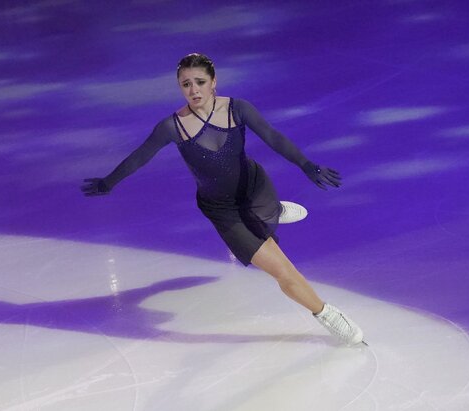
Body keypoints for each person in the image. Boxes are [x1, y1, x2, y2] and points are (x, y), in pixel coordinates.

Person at [81, 53, 364, 346]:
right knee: (283, 271)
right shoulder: (172, 127)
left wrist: (306, 165)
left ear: (213, 82)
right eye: (186, 84)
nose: (193, 90)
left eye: (200, 82)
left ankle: (272, 210)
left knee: (265, 211)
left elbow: (272, 136)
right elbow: (140, 156)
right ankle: (327, 314)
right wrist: (108, 182)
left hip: (253, 187)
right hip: (223, 211)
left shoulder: (238, 109)